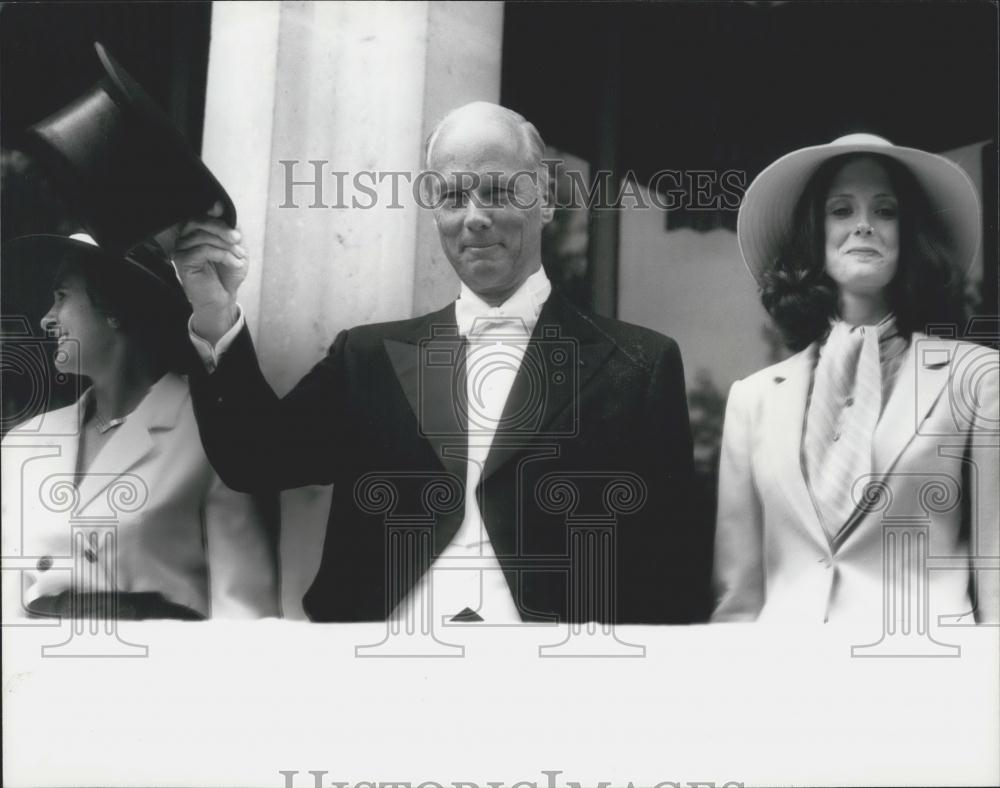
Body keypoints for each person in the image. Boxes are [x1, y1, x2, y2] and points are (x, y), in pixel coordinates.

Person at [174, 101, 708, 624]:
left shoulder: (639, 366)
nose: (474, 217)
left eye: (498, 191)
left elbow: (671, 577)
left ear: (545, 199)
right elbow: (255, 460)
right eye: (453, 196)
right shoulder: (367, 359)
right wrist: (216, 313)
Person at [711, 133, 998, 625]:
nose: (863, 225)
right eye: (841, 210)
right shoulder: (752, 399)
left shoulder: (976, 378)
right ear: (812, 233)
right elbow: (738, 595)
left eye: (885, 211)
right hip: (786, 680)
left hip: (927, 677)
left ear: (908, 233)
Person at [1, 234, 280, 620]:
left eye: (62, 296)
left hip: (159, 674)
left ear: (114, 307)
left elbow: (246, 612)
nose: (47, 318)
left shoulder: (210, 432)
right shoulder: (23, 444)